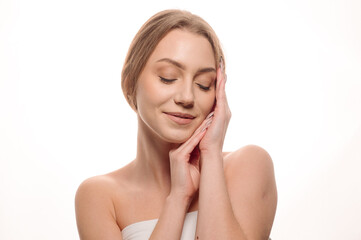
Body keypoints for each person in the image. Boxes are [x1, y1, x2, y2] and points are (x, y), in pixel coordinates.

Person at [75, 9, 277, 240]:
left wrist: (210, 154)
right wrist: (178, 197)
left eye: (203, 84)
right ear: (130, 82)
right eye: (168, 77)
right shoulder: (99, 196)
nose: (187, 97)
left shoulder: (247, 165)